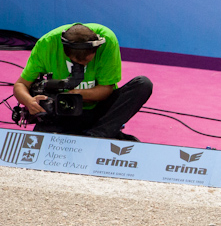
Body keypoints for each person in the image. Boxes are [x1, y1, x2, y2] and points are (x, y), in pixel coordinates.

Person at [12, 23, 152, 141]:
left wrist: (76, 94)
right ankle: (105, 135)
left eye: (88, 60)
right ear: (66, 53)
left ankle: (96, 135)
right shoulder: (47, 44)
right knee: (42, 138)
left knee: (143, 84)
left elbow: (106, 89)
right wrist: (30, 102)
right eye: (80, 62)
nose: (85, 64)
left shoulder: (107, 40)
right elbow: (20, 85)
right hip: (62, 112)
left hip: (99, 110)